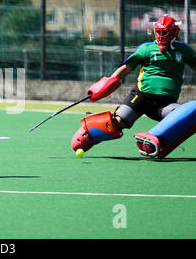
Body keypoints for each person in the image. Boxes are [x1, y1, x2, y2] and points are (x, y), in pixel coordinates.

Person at [71, 15, 196, 158]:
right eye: (159, 32)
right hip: (142, 96)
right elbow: (127, 67)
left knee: (186, 115)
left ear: (175, 33)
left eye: (165, 32)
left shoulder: (184, 50)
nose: (161, 36)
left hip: (165, 104)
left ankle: (156, 140)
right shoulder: (146, 48)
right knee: (119, 120)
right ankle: (91, 133)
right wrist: (108, 82)